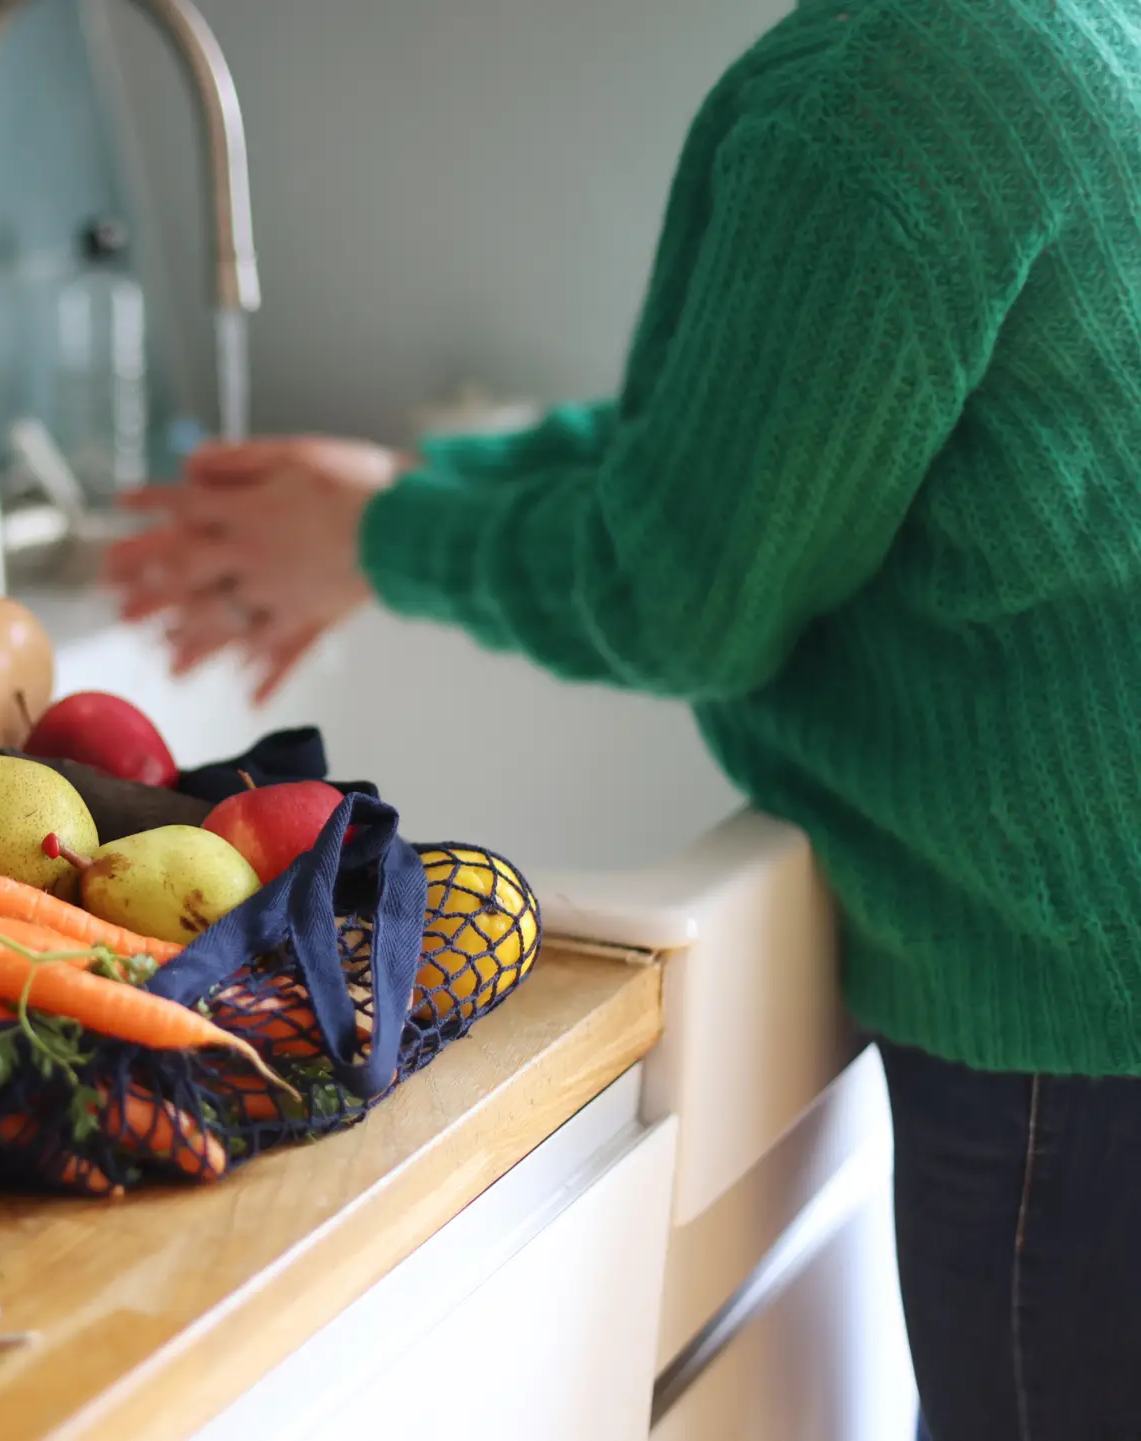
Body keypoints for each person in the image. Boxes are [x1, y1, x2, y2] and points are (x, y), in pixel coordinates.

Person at [105, 3, 1141, 1437]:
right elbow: (744, 440)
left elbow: (684, 593)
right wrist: (394, 511)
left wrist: (393, 534)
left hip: (1073, 1031)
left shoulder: (888, 85)